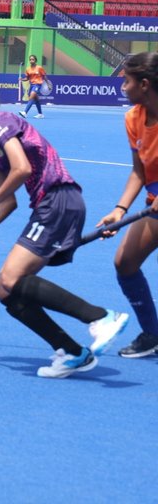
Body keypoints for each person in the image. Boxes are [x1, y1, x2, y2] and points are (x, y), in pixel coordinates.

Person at [0, 74, 129, 378]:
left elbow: (22, 168)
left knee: (12, 277)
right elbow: (8, 203)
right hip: (46, 205)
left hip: (58, 199)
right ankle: (72, 352)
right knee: (3, 289)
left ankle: (102, 318)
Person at [95, 52, 158, 358]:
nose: (122, 86)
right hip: (154, 203)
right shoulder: (133, 117)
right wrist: (119, 210)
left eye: (127, 80)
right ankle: (153, 335)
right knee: (125, 262)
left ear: (144, 84)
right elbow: (139, 170)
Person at [19, 54, 47, 119]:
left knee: (31, 96)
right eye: (30, 59)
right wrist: (21, 79)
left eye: (33, 59)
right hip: (31, 84)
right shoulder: (28, 69)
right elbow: (27, 78)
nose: (31, 60)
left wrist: (48, 84)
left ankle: (25, 112)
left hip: (38, 84)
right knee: (36, 99)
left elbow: (44, 76)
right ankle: (40, 114)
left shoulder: (39, 68)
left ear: (35, 60)